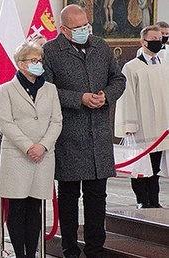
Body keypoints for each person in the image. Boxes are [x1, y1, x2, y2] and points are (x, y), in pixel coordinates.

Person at [42, 5, 126, 258]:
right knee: (68, 198)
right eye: (77, 28)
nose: (83, 31)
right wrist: (79, 98)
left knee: (97, 197)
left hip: (98, 134)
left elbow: (118, 79)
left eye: (86, 26)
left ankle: (95, 248)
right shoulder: (50, 51)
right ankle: (69, 249)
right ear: (63, 29)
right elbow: (46, 90)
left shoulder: (100, 46)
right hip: (69, 135)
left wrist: (106, 96)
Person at [0, 42, 62, 258]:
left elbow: (57, 121)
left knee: (35, 206)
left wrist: (42, 146)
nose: (38, 64)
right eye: (33, 60)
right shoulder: (6, 89)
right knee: (17, 207)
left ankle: (32, 254)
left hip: (43, 156)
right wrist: (28, 147)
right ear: (20, 63)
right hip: (17, 156)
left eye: (39, 60)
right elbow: (6, 123)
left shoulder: (50, 89)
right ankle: (20, 254)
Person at [115, 25, 169, 209]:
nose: (157, 42)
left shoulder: (164, 65)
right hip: (141, 126)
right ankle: (142, 200)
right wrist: (129, 125)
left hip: (161, 126)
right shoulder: (131, 67)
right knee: (139, 166)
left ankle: (154, 200)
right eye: (153, 39)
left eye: (160, 38)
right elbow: (127, 96)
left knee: (155, 166)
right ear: (143, 41)